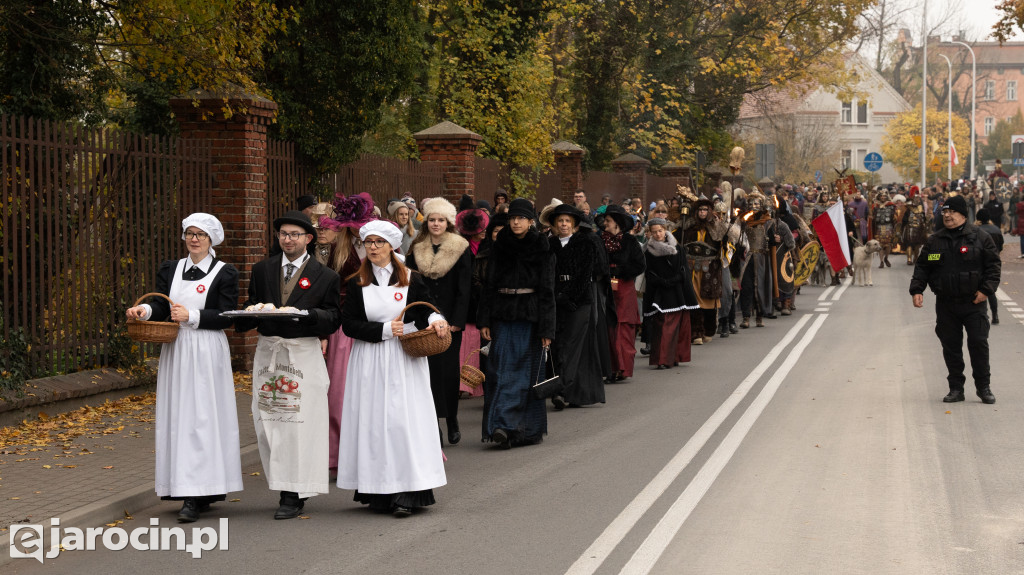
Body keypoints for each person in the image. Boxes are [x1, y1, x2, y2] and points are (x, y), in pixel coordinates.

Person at [125, 213, 243, 523]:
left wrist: (192, 315)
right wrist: (145, 310)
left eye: (200, 235)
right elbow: (163, 305)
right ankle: (185, 485)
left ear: (211, 239)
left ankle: (201, 490)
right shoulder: (172, 268)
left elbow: (228, 316)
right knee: (180, 416)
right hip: (177, 350)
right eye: (189, 233)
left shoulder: (224, 272)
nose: (194, 239)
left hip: (205, 350)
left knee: (203, 417)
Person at [337, 220, 449, 517]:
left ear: (391, 246)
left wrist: (437, 320)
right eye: (368, 243)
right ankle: (379, 490)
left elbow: (427, 309)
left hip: (404, 361)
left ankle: (409, 492)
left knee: (404, 422)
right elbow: (349, 325)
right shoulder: (356, 282)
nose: (372, 248)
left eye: (379, 242)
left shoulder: (411, 278)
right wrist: (385, 330)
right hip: (370, 360)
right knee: (374, 423)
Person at [234, 210, 342, 519]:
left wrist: (308, 316)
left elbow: (333, 318)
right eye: (283, 234)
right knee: (270, 422)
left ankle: (294, 493)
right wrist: (248, 315)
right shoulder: (262, 270)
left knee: (299, 424)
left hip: (302, 356)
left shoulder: (326, 276)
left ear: (308, 239)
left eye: (295, 234)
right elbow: (251, 306)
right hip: (270, 355)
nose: (288, 239)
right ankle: (283, 483)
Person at [477, 198, 555, 448]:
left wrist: (547, 328)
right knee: (500, 372)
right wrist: (485, 319)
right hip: (502, 313)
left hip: (530, 317)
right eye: (512, 218)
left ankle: (523, 429)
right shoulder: (501, 244)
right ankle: (501, 426)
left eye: (521, 218)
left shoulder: (541, 244)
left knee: (525, 375)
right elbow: (489, 284)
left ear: (531, 221)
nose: (516, 222)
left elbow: (547, 289)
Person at [910, 195, 1001, 405]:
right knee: (951, 347)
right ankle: (956, 388)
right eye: (945, 212)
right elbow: (923, 267)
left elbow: (993, 267)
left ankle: (983, 387)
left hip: (974, 303)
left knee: (978, 344)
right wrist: (917, 289)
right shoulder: (935, 241)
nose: (948, 216)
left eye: (952, 212)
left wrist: (985, 291)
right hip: (946, 304)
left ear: (963, 214)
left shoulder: (980, 237)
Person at [405, 198, 472, 446]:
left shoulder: (460, 247)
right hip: (424, 320)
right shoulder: (416, 247)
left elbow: (465, 288)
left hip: (450, 321)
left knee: (448, 373)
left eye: (440, 220)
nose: (436, 223)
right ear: (427, 222)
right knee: (427, 375)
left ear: (448, 223)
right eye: (432, 219)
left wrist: (456, 320)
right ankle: (434, 425)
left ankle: (452, 418)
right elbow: (409, 285)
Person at [315, 195, 371, 479]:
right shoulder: (337, 251)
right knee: (338, 395)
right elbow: (329, 294)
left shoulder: (386, 245)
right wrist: (325, 332)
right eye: (354, 225)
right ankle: (337, 456)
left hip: (377, 328)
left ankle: (371, 454)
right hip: (344, 329)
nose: (360, 230)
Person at [547, 203, 604, 408]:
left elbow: (584, 274)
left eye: (567, 221)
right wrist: (557, 296)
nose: (563, 224)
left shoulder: (584, 243)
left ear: (574, 225)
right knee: (557, 345)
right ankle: (563, 387)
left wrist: (569, 296)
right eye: (560, 221)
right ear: (554, 224)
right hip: (556, 301)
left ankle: (560, 390)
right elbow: (547, 273)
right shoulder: (550, 244)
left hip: (579, 302)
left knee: (571, 345)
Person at [643, 217, 698, 369]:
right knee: (663, 326)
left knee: (678, 326)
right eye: (654, 232)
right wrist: (661, 281)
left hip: (677, 291)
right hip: (660, 291)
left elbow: (684, 269)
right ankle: (662, 359)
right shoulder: (649, 252)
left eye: (660, 231)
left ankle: (674, 356)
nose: (658, 235)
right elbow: (649, 272)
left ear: (665, 230)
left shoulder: (678, 249)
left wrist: (677, 278)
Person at [601, 204, 645, 381]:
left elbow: (640, 265)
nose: (605, 224)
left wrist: (621, 271)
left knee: (624, 329)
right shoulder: (600, 240)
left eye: (609, 221)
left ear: (617, 223)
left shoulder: (630, 241)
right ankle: (610, 368)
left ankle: (623, 368)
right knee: (609, 330)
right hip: (606, 288)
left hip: (625, 289)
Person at [975, 209, 1004, 324]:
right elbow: (1001, 246)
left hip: (979, 262)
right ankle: (995, 314)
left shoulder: (977, 231)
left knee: (978, 288)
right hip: (993, 261)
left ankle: (979, 315)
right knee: (990, 289)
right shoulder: (996, 229)